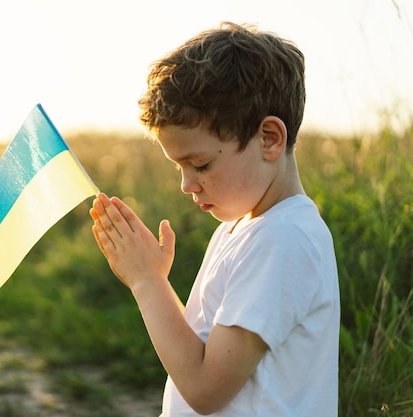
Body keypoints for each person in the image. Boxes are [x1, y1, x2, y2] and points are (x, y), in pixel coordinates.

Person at [89, 22, 340, 416]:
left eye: (200, 164)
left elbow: (206, 390)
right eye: (179, 168)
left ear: (269, 139)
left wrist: (147, 283)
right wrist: (155, 280)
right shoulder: (240, 227)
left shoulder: (283, 238)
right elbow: (201, 353)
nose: (188, 185)